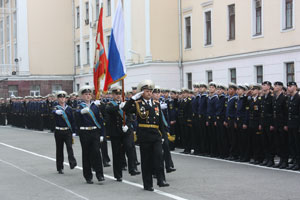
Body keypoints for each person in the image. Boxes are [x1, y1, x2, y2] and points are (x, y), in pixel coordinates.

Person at [122, 80, 169, 191]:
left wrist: (164, 136)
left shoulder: (156, 104)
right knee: (146, 160)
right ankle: (148, 184)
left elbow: (160, 122)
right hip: (144, 135)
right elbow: (126, 109)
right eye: (146, 91)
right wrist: (133, 98)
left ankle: (161, 180)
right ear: (142, 92)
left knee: (159, 157)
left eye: (150, 91)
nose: (149, 93)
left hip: (156, 135)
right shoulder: (138, 104)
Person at [105, 86, 140, 182]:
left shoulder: (125, 103)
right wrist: (118, 107)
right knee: (117, 153)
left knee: (130, 147)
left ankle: (132, 168)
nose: (118, 96)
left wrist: (128, 125)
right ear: (112, 95)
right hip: (115, 132)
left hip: (126, 130)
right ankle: (118, 174)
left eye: (120, 94)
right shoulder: (109, 104)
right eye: (116, 94)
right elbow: (108, 110)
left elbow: (131, 113)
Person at [76, 86, 105, 184]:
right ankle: (88, 176)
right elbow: (75, 116)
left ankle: (100, 175)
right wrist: (80, 112)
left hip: (94, 132)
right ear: (82, 96)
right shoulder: (79, 106)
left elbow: (101, 121)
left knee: (97, 153)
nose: (88, 96)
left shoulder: (95, 106)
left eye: (89, 94)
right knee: (86, 154)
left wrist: (102, 134)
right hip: (84, 133)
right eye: (86, 94)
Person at [52, 91, 77, 174]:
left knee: (69, 147)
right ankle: (60, 167)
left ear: (66, 99)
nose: (62, 99)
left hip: (67, 131)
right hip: (59, 131)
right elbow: (51, 112)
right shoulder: (56, 107)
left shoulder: (69, 108)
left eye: (64, 97)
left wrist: (74, 131)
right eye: (60, 97)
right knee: (59, 149)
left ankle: (72, 162)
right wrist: (55, 112)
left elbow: (73, 120)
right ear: (58, 99)